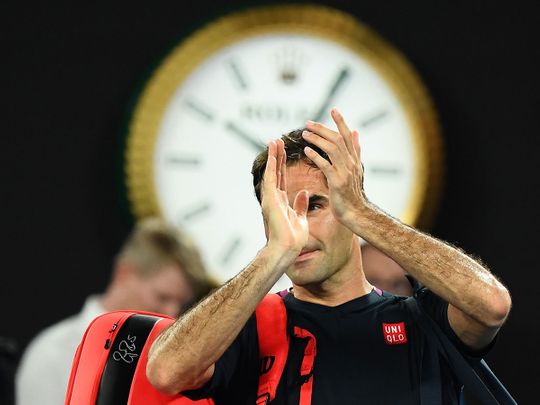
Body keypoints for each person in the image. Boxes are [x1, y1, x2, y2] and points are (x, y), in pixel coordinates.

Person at [146, 109, 512, 404]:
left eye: (314, 205)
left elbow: (491, 304)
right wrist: (272, 253)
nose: (297, 228)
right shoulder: (248, 327)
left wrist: (362, 212)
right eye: (280, 212)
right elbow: (166, 372)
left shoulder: (422, 321)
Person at [16, 217, 216, 405]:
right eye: (162, 297)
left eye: (181, 304)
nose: (172, 314)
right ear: (124, 274)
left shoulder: (174, 364)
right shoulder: (52, 353)